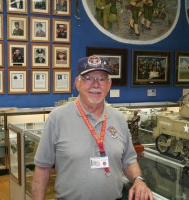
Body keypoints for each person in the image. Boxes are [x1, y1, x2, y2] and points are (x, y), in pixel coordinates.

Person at [31, 55, 153, 200]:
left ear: (109, 84)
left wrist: (139, 180)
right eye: (88, 78)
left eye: (101, 79)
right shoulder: (57, 118)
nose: (95, 85)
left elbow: (129, 161)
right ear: (77, 83)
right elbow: (42, 170)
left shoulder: (119, 118)